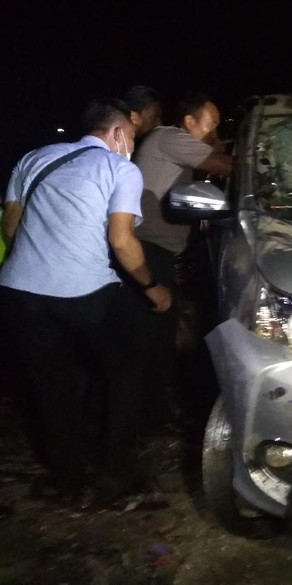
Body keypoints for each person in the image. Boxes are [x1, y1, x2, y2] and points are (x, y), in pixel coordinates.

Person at [0, 98, 172, 502]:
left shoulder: (35, 157)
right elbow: (122, 240)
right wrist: (152, 286)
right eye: (131, 135)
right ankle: (115, 470)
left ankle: (68, 478)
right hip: (85, 291)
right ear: (116, 133)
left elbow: (11, 227)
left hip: (19, 292)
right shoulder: (119, 167)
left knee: (51, 384)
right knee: (127, 367)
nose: (132, 143)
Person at [130, 91, 232, 432]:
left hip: (156, 248)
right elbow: (225, 165)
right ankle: (150, 420)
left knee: (164, 333)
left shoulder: (170, 144)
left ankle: (152, 413)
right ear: (189, 122)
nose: (215, 130)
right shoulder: (171, 137)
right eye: (212, 123)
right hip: (149, 249)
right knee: (157, 339)